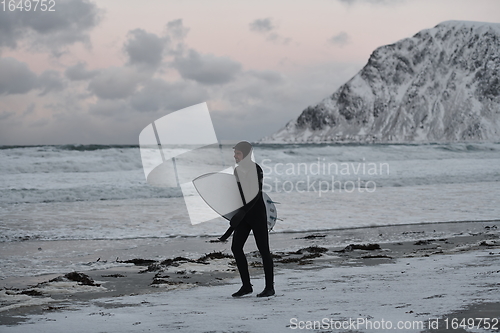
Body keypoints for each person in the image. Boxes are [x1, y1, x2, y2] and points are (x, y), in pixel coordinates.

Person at [218, 141, 274, 298]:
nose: (235, 156)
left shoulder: (256, 169)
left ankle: (270, 287)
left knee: (263, 250)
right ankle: (246, 286)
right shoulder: (237, 170)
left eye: (237, 153)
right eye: (234, 153)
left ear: (246, 154)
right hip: (243, 215)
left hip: (256, 214)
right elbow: (239, 194)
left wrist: (241, 213)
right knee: (236, 248)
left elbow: (256, 195)